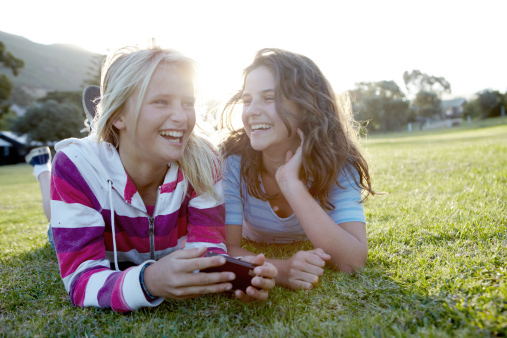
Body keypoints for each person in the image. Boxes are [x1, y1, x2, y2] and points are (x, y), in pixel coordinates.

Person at [48, 45, 276, 313]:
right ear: (119, 113)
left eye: (188, 103)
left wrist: (229, 278)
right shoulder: (76, 167)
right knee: (53, 222)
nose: (181, 118)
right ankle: (43, 168)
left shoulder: (205, 161)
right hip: (84, 217)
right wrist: (149, 281)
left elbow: (207, 249)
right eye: (161, 102)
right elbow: (81, 280)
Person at [220, 48, 375, 291]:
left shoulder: (339, 163)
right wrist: (281, 270)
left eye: (269, 98)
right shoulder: (232, 164)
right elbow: (227, 250)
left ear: (305, 106)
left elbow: (353, 261)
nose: (251, 111)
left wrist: (290, 183)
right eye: (247, 100)